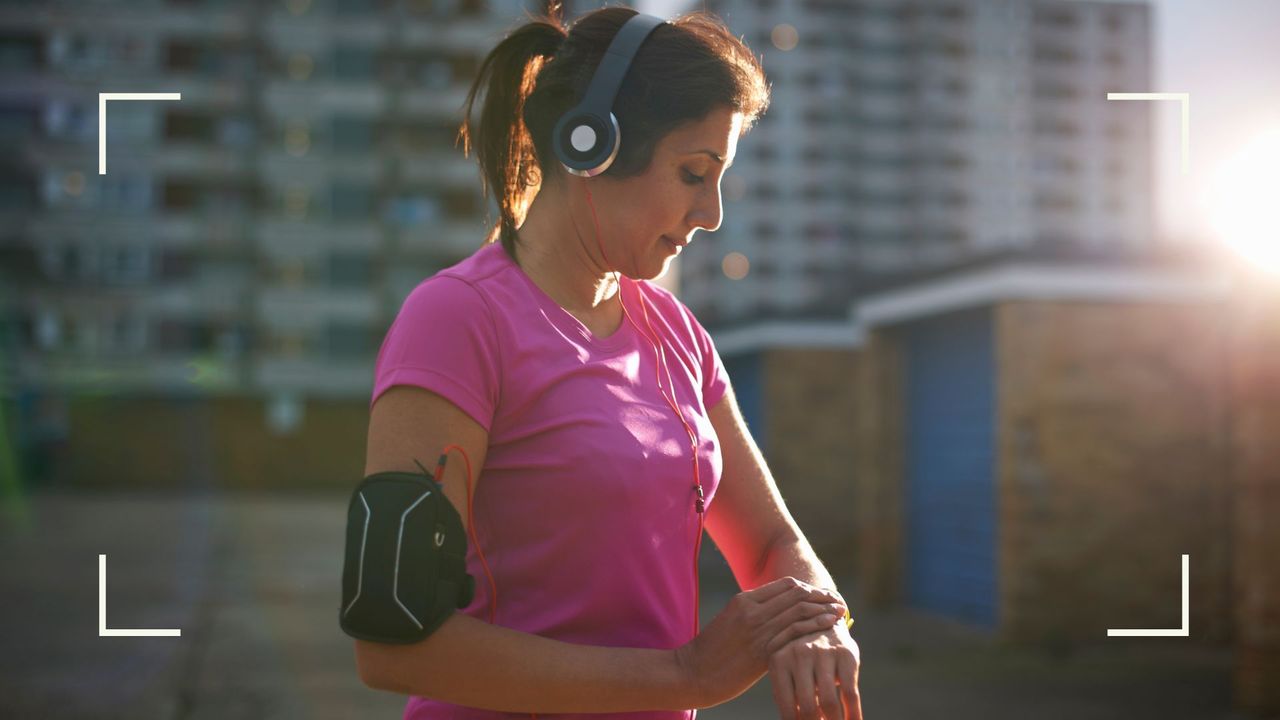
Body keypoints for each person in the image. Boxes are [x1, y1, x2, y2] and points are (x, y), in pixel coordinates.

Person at [354, 5, 863, 719]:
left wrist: (820, 623)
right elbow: (392, 642)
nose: (712, 212)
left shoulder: (679, 335)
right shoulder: (456, 321)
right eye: (693, 172)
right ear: (590, 146)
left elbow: (773, 541)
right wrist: (687, 676)